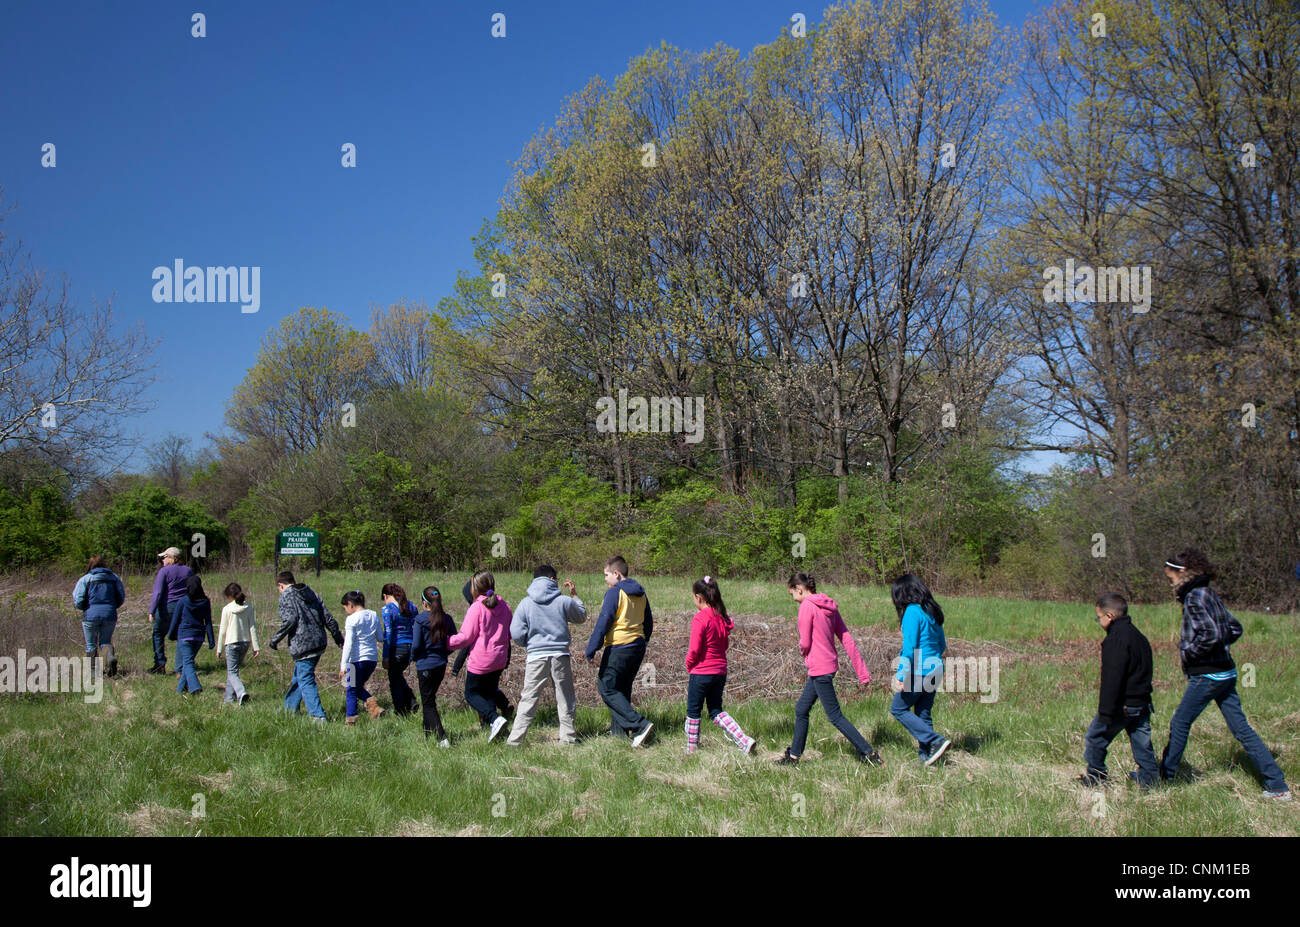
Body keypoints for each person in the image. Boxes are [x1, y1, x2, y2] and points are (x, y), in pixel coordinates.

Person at [1159, 549, 1291, 800]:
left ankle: (1164, 778)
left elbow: (1211, 634)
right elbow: (1235, 628)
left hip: (1207, 677)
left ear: (1183, 573)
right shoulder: (1209, 593)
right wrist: (1219, 650)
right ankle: (1277, 786)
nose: (1170, 584)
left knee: (1179, 723)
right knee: (1242, 729)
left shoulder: (1194, 598)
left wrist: (1189, 652)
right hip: (1226, 673)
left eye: (1171, 578)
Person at [775, 573, 879, 766]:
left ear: (800, 589)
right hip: (827, 667)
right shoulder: (829, 605)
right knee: (801, 709)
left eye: (792, 594)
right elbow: (846, 638)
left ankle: (869, 754)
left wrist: (803, 650)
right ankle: (794, 756)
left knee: (834, 716)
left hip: (819, 669)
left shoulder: (806, 606)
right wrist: (862, 672)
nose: (793, 599)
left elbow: (805, 641)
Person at [1078, 592, 1156, 788]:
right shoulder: (1138, 636)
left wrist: (1106, 712)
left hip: (1123, 705)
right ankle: (1150, 782)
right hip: (1142, 703)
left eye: (1099, 618)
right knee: (1142, 745)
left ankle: (1096, 778)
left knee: (1095, 738)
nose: (1098, 621)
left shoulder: (1116, 640)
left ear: (1110, 616)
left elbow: (1112, 679)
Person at [507, 565, 585, 746]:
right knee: (565, 698)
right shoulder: (564, 601)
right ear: (552, 579)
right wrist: (575, 595)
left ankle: (515, 740)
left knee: (529, 698)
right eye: (556, 580)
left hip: (536, 657)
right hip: (560, 655)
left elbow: (516, 632)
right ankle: (568, 739)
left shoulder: (526, 603)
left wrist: (530, 643)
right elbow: (581, 617)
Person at [585, 556, 655, 746]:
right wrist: (644, 639)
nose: (605, 579)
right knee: (622, 689)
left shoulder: (614, 593)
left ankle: (640, 725)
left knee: (606, 687)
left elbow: (604, 621)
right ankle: (619, 736)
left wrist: (591, 648)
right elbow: (648, 620)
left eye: (606, 575)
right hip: (637, 645)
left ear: (616, 574)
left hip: (619, 646)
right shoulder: (641, 593)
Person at [684, 576, 755, 754]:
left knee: (694, 711)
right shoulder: (721, 617)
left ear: (699, 598)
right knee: (716, 710)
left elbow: (694, 648)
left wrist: (689, 663)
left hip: (701, 672)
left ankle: (692, 749)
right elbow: (724, 645)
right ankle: (743, 740)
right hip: (720, 671)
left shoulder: (700, 618)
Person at [889, 573, 951, 765]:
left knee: (898, 709)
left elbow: (909, 649)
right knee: (923, 713)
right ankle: (928, 757)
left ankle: (935, 740)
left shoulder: (912, 612)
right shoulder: (930, 611)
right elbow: (941, 645)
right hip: (936, 668)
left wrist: (901, 675)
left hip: (919, 670)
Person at [269, 571, 343, 723]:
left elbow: (290, 620)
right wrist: (338, 638)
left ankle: (318, 716)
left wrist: (275, 639)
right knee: (300, 675)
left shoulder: (286, 596)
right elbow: (327, 617)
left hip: (303, 645)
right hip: (319, 642)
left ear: (280, 585)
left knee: (306, 679)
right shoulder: (311, 593)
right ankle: (289, 709)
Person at [447, 571, 513, 741]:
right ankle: (493, 729)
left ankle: (494, 719)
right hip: (499, 659)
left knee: (471, 693)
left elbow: (466, 637)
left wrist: (445, 642)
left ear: (475, 588)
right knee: (490, 693)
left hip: (481, 661)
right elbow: (510, 633)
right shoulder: (504, 605)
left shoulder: (476, 608)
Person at [412, 586, 457, 746]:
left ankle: (442, 738)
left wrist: (413, 658)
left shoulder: (420, 620)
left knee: (428, 702)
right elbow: (453, 642)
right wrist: (444, 655)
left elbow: (416, 645)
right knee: (429, 698)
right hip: (441, 664)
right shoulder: (447, 619)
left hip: (425, 665)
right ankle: (427, 731)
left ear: (424, 603)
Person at [72, 556, 125, 678]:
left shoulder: (86, 579)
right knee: (105, 641)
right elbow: (121, 597)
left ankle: (93, 672)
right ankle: (109, 659)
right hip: (109, 614)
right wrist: (112, 606)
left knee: (91, 644)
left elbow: (78, 599)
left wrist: (83, 607)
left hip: (90, 615)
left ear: (90, 565)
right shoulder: (114, 578)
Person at [146, 547, 193, 674]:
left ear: (172, 558)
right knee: (180, 636)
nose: (162, 560)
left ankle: (160, 664)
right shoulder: (189, 571)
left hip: (168, 607)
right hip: (184, 607)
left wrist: (152, 611)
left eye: (164, 557)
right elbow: (193, 589)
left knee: (158, 634)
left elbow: (158, 592)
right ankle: (180, 667)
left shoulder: (164, 571)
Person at [339, 590, 383, 724]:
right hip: (371, 659)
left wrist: (343, 665)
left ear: (350, 604)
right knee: (357, 686)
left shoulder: (351, 619)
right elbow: (380, 637)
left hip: (356, 660)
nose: (346, 611)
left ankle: (351, 719)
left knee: (351, 689)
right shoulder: (374, 615)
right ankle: (373, 707)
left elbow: (348, 643)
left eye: (345, 608)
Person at [168, 574, 215, 695]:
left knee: (188, 663)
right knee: (187, 663)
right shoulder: (205, 601)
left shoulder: (183, 601)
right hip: (199, 637)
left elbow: (175, 620)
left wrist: (171, 635)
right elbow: (208, 621)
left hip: (185, 636)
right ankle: (180, 691)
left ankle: (195, 687)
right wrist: (211, 640)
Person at [216, 582, 259, 705]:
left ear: (230, 596)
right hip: (245, 644)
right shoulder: (249, 608)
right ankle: (229, 699)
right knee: (233, 671)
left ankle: (241, 693)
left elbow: (222, 631)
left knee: (232, 672)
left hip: (231, 644)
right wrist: (256, 647)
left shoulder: (227, 609)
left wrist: (219, 649)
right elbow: (252, 628)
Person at [380, 583, 419, 716]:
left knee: (394, 680)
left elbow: (388, 633)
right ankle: (411, 701)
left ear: (385, 596)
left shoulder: (387, 610)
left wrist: (385, 655)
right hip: (411, 647)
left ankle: (401, 711)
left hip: (397, 648)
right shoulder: (412, 606)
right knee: (398, 675)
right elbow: (416, 627)